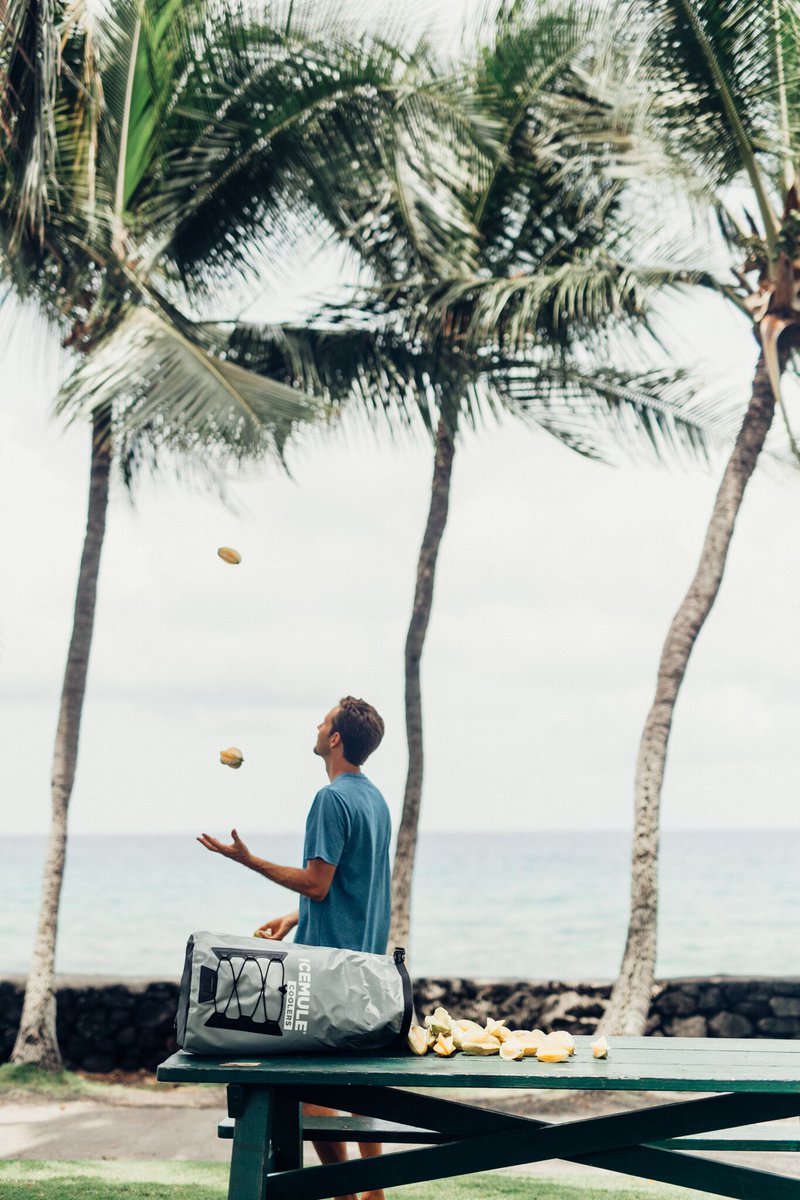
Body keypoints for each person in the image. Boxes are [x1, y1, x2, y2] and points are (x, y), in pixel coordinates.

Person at [198, 695, 390, 1200]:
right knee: (358, 1087)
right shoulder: (374, 800)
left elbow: (317, 884)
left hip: (325, 974)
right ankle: (374, 1193)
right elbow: (353, 884)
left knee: (308, 1092)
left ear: (335, 738)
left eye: (323, 722)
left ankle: (345, 1193)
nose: (317, 725)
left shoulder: (330, 799)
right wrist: (295, 916)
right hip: (365, 968)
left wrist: (247, 860)